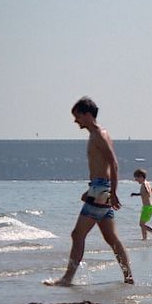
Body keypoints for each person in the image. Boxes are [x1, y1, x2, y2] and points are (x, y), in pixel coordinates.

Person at [46, 97, 133, 286]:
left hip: (101, 189)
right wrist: (93, 189)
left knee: (77, 235)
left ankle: (67, 279)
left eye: (77, 116)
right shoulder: (97, 134)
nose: (75, 121)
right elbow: (102, 166)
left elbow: (114, 164)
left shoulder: (99, 135)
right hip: (99, 188)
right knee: (112, 239)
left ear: (87, 115)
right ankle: (129, 278)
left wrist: (112, 192)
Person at [131, 168, 152, 240]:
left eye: (136, 178)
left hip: (147, 207)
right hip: (149, 207)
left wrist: (146, 190)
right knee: (143, 224)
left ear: (141, 177)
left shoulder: (144, 184)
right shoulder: (147, 183)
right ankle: (144, 239)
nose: (135, 180)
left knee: (141, 224)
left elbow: (147, 192)